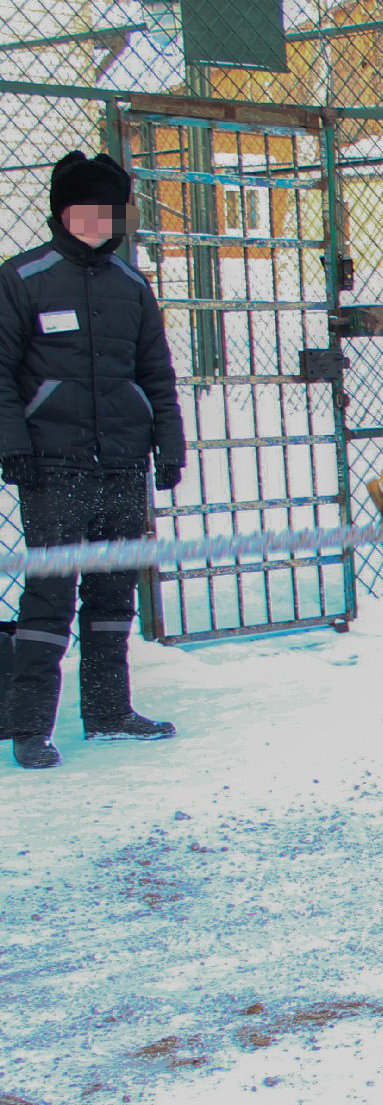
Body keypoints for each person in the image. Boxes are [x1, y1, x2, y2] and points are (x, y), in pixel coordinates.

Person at [1, 151, 185, 771]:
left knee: (113, 593)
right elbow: (0, 374)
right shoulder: (22, 279)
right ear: (62, 211)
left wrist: (170, 443)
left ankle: (109, 711)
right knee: (50, 595)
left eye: (110, 211)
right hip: (54, 465)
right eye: (87, 209)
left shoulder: (132, 287)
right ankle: (31, 727)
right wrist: (13, 446)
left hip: (124, 463)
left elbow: (156, 373)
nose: (99, 221)